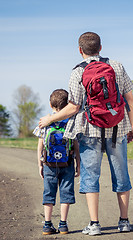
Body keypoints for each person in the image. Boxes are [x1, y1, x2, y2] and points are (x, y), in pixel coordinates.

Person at [38, 32, 133, 236]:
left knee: (91, 176)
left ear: (80, 50)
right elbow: (130, 100)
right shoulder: (116, 66)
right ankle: (124, 221)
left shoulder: (77, 72)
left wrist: (50, 119)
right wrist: (131, 125)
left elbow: (73, 107)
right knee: (121, 175)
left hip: (90, 129)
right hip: (117, 127)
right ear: (101, 48)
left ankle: (95, 224)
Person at [33, 89, 80, 235]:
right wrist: (78, 163)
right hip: (67, 163)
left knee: (49, 193)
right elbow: (76, 145)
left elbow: (40, 145)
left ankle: (47, 225)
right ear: (67, 106)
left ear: (50, 105)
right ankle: (63, 225)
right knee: (66, 193)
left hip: (49, 164)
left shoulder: (45, 121)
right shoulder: (71, 122)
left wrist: (40, 163)